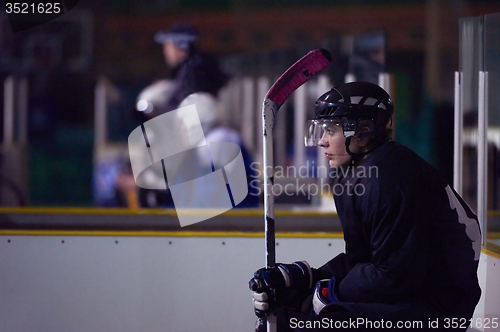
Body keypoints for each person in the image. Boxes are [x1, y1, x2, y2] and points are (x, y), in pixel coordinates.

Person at [249, 81, 481, 331]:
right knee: (283, 318)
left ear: (364, 131)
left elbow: (394, 276)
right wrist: (307, 277)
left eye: (331, 130)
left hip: (439, 309)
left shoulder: (390, 176)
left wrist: (325, 291)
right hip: (411, 296)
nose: (322, 141)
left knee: (306, 325)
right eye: (322, 130)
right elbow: (364, 260)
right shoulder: (355, 173)